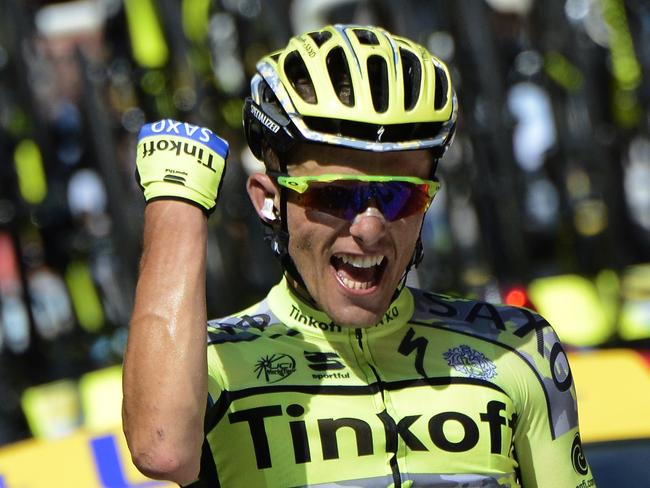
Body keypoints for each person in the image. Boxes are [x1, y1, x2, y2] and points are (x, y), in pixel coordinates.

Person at [122, 24, 596, 488]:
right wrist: (176, 202)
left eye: (398, 197)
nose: (369, 228)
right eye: (334, 196)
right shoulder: (213, 364)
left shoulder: (518, 348)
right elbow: (162, 448)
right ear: (269, 200)